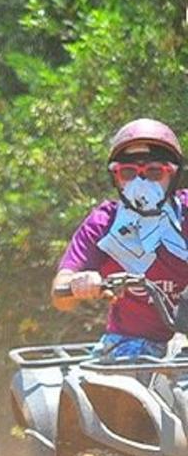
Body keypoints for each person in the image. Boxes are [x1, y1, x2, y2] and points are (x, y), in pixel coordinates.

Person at [53, 118, 188, 359]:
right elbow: (60, 296)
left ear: (174, 175)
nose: (141, 182)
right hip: (130, 344)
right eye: (128, 172)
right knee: (119, 390)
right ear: (115, 178)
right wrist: (78, 283)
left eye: (155, 172)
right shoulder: (103, 223)